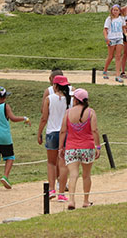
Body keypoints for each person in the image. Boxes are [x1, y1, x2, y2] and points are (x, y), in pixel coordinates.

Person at [58, 87, 100, 209]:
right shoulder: (91, 112)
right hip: (87, 147)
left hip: (71, 147)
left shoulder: (68, 113)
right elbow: (94, 130)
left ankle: (71, 200)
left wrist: (61, 147)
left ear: (76, 100)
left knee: (73, 174)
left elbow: (63, 131)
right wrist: (98, 146)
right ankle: (86, 200)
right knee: (86, 175)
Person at [38, 74, 69, 202]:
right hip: (66, 132)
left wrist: (39, 132)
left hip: (52, 132)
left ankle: (51, 189)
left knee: (51, 162)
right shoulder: (70, 99)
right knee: (63, 163)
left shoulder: (49, 98)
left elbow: (44, 118)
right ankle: (61, 192)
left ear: (55, 86)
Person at [102, 5, 126, 83]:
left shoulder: (122, 19)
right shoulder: (109, 19)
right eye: (114, 10)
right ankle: (105, 70)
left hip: (119, 38)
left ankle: (117, 75)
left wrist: (126, 35)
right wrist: (106, 38)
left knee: (118, 56)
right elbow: (105, 30)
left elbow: (123, 28)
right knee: (110, 56)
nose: (115, 11)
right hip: (112, 38)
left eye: (117, 10)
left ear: (119, 11)